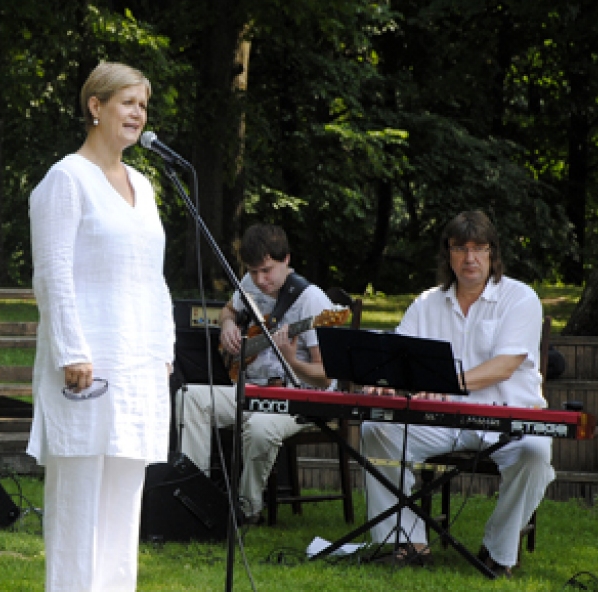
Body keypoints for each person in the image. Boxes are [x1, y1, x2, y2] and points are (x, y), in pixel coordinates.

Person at [27, 62, 174, 592]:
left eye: (143, 105)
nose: (138, 114)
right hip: (85, 368)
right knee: (77, 508)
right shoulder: (66, 178)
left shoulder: (143, 184)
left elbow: (153, 278)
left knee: (122, 506)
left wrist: (163, 350)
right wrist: (72, 351)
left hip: (136, 368)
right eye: (128, 103)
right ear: (96, 106)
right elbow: (53, 272)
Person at [361, 210, 551, 577]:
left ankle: (498, 548)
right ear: (447, 254)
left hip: (506, 417)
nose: (470, 258)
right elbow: (399, 356)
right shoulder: (426, 303)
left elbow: (505, 366)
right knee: (376, 429)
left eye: (479, 248)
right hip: (440, 420)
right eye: (460, 248)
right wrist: (382, 378)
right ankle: (409, 541)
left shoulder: (520, 298)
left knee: (535, 451)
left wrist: (449, 382)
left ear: (493, 253)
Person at [175, 224, 335, 524]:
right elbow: (228, 310)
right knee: (190, 397)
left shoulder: (311, 301)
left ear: (286, 259)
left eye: (267, 271)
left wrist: (293, 361)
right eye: (253, 271)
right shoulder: (250, 281)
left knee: (261, 426)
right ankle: (193, 500)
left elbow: (325, 377)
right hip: (253, 389)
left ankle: (246, 511)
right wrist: (227, 325)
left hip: (298, 398)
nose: (260, 280)